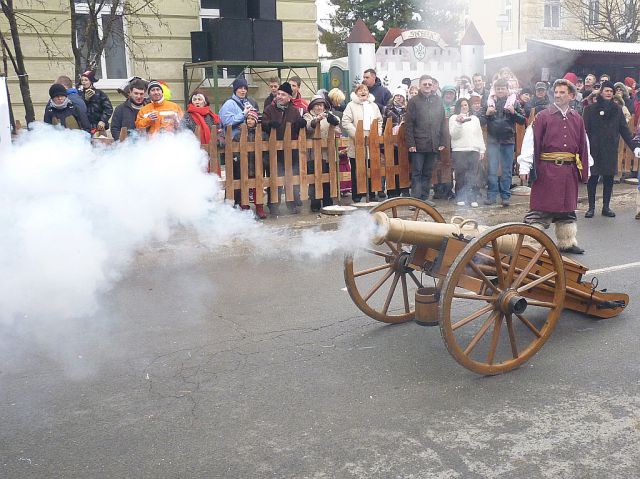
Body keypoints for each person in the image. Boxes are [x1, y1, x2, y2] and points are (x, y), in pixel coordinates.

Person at [517, 79, 590, 254]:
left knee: (567, 207)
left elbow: (583, 144)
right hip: (547, 170)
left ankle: (567, 241)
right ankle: (531, 244)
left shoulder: (577, 118)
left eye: (562, 92)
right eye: (556, 92)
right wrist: (524, 166)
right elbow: (530, 141)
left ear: (571, 96)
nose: (557, 95)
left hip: (569, 171)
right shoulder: (543, 116)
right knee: (541, 208)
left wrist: (587, 167)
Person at [583, 80, 637, 218]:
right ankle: (591, 208)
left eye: (611, 91)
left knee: (608, 179)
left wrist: (634, 147)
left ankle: (606, 207)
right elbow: (584, 131)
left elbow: (624, 131)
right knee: (593, 179)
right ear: (601, 92)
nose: (609, 93)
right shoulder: (589, 109)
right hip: (594, 149)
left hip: (610, 149)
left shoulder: (617, 110)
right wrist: (583, 149)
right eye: (606, 90)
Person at [262, 82, 307, 215]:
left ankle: (292, 203)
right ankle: (273, 205)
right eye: (279, 94)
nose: (280, 96)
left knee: (291, 177)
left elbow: (298, 125)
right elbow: (263, 122)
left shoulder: (293, 111)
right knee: (274, 178)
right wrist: (269, 124)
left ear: (289, 97)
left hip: (291, 150)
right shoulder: (270, 109)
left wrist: (300, 124)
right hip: (274, 150)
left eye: (283, 94)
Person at [481, 78, 526, 207]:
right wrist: (487, 114)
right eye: (498, 88)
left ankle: (505, 196)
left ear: (507, 90)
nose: (500, 91)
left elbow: (523, 120)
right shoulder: (489, 103)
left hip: (508, 140)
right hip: (493, 141)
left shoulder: (514, 102)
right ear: (495, 90)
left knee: (507, 170)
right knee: (492, 169)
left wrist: (514, 112)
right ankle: (491, 196)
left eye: (503, 88)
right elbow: (480, 121)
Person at [404, 74, 447, 203]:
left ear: (432, 85)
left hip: (433, 143)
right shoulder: (414, 101)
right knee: (417, 172)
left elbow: (442, 122)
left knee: (428, 172)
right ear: (420, 86)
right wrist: (411, 143)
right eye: (425, 84)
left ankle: (424, 199)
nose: (427, 86)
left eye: (429, 84)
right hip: (418, 143)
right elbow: (409, 124)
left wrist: (443, 141)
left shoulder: (438, 101)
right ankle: (416, 201)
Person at [341, 83, 383, 203]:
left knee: (372, 168)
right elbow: (346, 122)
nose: (363, 92)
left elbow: (379, 121)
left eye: (365, 90)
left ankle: (371, 192)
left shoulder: (374, 106)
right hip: (356, 142)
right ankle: (357, 194)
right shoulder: (351, 105)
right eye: (360, 90)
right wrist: (357, 135)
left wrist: (376, 134)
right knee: (356, 169)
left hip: (371, 142)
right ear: (356, 93)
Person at [304, 94, 340, 211]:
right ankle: (314, 203)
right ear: (312, 107)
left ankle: (327, 202)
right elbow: (308, 127)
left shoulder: (328, 115)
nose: (319, 108)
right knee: (314, 179)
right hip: (313, 153)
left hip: (326, 152)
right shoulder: (308, 116)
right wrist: (316, 120)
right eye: (316, 105)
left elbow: (336, 122)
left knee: (327, 177)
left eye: (321, 105)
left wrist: (333, 121)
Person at [449, 98, 485, 207]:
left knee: (473, 174)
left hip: (473, 149)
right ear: (458, 107)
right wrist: (459, 123)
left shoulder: (474, 119)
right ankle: (460, 197)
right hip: (459, 150)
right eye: (462, 105)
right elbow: (454, 135)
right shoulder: (453, 118)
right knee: (460, 174)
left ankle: (472, 197)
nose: (465, 107)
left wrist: (482, 149)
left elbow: (479, 134)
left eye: (466, 105)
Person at [232, 110, 267, 219]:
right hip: (244, 165)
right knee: (245, 187)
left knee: (258, 187)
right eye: (248, 119)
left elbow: (266, 150)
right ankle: (245, 207)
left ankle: (259, 207)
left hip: (257, 165)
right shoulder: (239, 135)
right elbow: (234, 148)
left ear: (256, 121)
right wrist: (237, 158)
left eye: (252, 119)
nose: (250, 121)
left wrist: (264, 161)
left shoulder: (262, 134)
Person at [383, 87, 409, 198]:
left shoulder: (407, 109)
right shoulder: (387, 109)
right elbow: (383, 125)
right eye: (397, 96)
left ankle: (405, 189)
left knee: (403, 166)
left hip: (403, 143)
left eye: (401, 96)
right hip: (391, 143)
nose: (399, 98)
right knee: (391, 167)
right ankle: (392, 192)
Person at [79, 69, 113, 136]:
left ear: (91, 81)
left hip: (99, 127)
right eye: (82, 80)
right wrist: (85, 100)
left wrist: (103, 120)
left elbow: (108, 108)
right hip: (85, 128)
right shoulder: (79, 94)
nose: (83, 82)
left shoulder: (100, 94)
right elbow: (79, 110)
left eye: (86, 80)